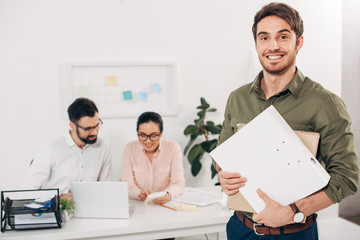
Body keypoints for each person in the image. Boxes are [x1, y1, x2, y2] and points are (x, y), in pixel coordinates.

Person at [216, 2, 359, 240]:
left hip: (293, 233)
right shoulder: (238, 98)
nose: (273, 46)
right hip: (240, 229)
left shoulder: (325, 103)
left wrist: (293, 211)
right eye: (264, 37)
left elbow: (348, 177)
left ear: (298, 42)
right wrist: (223, 175)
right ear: (256, 44)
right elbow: (223, 156)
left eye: (283, 36)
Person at [21, 97, 112, 199]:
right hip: (58, 210)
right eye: (88, 129)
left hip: (91, 209)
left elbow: (106, 187)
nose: (95, 132)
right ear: (72, 125)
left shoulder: (103, 146)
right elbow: (26, 192)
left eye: (96, 125)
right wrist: (60, 198)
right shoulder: (51, 149)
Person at [121, 111, 185, 204]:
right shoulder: (130, 148)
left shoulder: (173, 148)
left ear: (161, 133)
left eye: (153, 135)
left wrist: (168, 194)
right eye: (142, 135)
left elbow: (179, 183)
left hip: (166, 205)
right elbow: (126, 183)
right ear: (137, 133)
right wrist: (139, 194)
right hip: (140, 205)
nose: (148, 141)